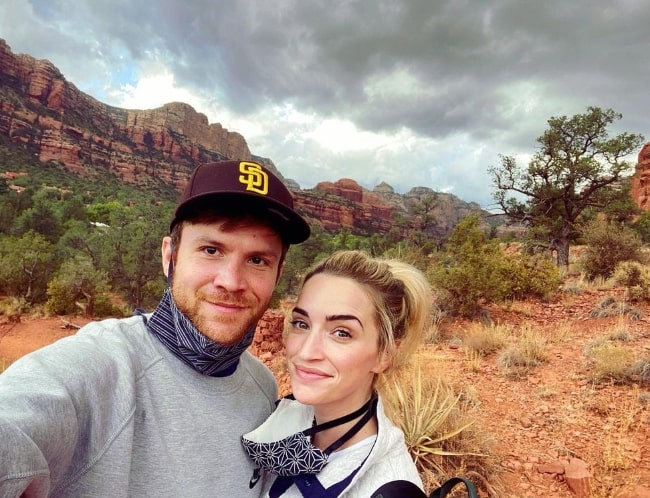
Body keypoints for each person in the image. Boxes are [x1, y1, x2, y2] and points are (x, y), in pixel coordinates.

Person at [0, 160, 310, 497]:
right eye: (210, 250)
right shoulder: (99, 368)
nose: (231, 281)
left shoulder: (262, 386)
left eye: (257, 260)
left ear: (278, 275)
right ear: (170, 256)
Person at [242, 249, 433, 497]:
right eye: (302, 324)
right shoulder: (285, 419)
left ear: (384, 354)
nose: (307, 351)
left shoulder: (386, 486)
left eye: (342, 332)